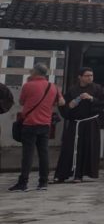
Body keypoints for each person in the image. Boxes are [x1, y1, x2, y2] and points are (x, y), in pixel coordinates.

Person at [9, 63, 64, 192]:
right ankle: (43, 182)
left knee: (27, 155)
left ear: (35, 72)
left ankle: (23, 183)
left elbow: (21, 102)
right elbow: (61, 102)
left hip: (30, 123)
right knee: (43, 154)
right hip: (45, 124)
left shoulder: (28, 85)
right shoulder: (53, 86)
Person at [54, 67, 104, 183]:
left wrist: (92, 98)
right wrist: (70, 105)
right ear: (80, 77)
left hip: (90, 123)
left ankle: (79, 174)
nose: (90, 78)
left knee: (86, 148)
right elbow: (64, 106)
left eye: (91, 75)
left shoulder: (97, 88)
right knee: (69, 148)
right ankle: (62, 174)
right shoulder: (72, 90)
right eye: (87, 75)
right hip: (76, 123)